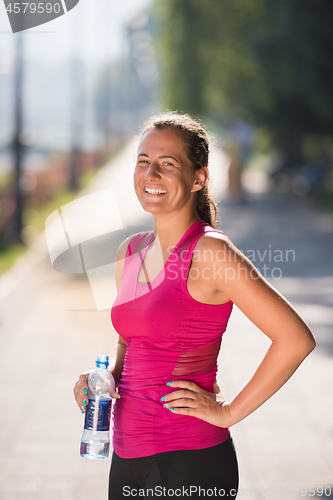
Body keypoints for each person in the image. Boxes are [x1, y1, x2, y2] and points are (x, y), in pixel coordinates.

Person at [73, 112, 316, 499]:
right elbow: (130, 343)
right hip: (125, 452)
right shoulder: (130, 251)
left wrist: (229, 412)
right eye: (142, 161)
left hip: (189, 459)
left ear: (198, 177)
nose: (150, 174)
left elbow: (295, 338)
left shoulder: (210, 252)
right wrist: (101, 380)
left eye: (167, 164)